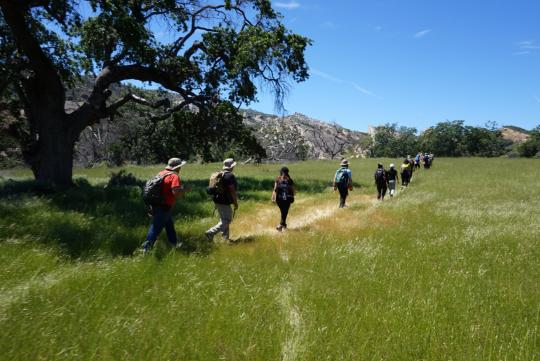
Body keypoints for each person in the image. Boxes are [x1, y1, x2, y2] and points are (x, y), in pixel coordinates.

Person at [142, 158, 190, 253]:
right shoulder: (174, 176)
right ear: (178, 167)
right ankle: (146, 250)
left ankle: (174, 244)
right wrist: (185, 190)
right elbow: (175, 192)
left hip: (156, 204)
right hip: (164, 207)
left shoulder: (161, 173)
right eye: (180, 167)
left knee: (169, 225)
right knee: (155, 228)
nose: (180, 168)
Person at [205, 158, 239, 242]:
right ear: (232, 166)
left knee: (224, 219)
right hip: (225, 201)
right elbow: (232, 190)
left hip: (217, 200)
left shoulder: (220, 174)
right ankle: (210, 232)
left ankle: (225, 238)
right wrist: (235, 202)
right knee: (227, 220)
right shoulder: (229, 176)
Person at [272, 167, 296, 231]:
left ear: (280, 172)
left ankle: (283, 226)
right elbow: (293, 190)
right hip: (287, 198)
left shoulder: (278, 179)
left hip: (279, 199)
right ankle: (281, 225)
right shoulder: (290, 180)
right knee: (284, 211)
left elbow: (275, 189)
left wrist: (273, 198)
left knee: (283, 211)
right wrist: (293, 195)